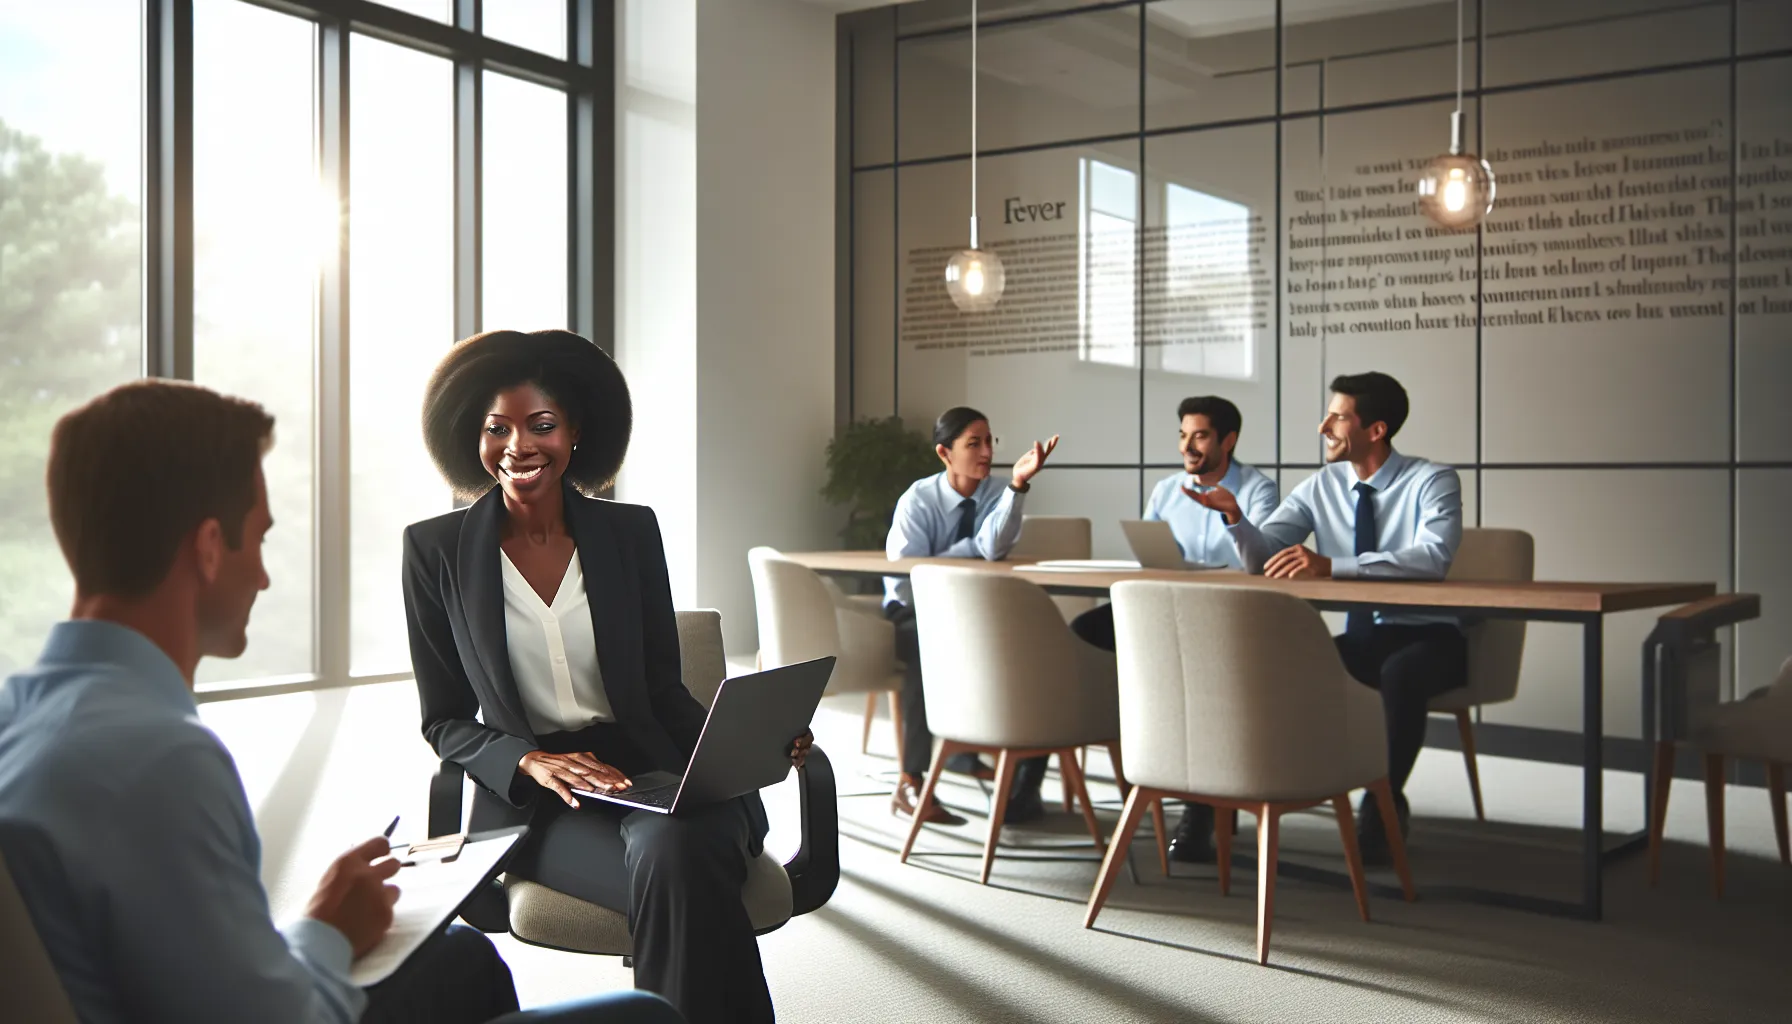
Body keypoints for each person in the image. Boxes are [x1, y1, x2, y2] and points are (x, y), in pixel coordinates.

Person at [0, 379, 681, 1024]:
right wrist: (325, 932)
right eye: (259, 538)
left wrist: (315, 926)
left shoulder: (19, 718)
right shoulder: (164, 761)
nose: (264, 577)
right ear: (209, 548)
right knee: (644, 1016)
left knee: (456, 960)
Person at [404, 330, 808, 1024]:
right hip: (544, 799)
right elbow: (444, 720)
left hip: (656, 773)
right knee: (684, 871)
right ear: (472, 435)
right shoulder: (434, 550)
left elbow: (663, 690)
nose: (518, 447)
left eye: (542, 425)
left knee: (675, 848)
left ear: (576, 432)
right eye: (497, 428)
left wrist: (747, 744)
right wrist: (526, 760)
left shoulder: (630, 534)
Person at [1188, 371, 1465, 864]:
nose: (1323, 427)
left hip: (1432, 636)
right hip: (1364, 639)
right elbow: (1264, 559)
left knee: (1400, 674)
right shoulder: (1321, 485)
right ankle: (1210, 804)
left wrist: (1333, 566)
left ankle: (1382, 805)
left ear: (1375, 430)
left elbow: (1433, 557)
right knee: (1266, 669)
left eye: (1337, 417)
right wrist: (1235, 518)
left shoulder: (1433, 480)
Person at [1068, 395, 1278, 864]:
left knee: (1197, 681)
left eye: (1200, 436)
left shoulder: (1259, 491)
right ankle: (1037, 774)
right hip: (1168, 612)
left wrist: (1232, 515)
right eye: (1183, 435)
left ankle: (1199, 814)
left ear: (1228, 440)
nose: (1187, 446)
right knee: (1083, 632)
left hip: (1227, 620)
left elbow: (1261, 564)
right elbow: (1152, 558)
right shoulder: (1167, 490)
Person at [883, 407, 1059, 825]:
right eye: (973, 443)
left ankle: (1019, 780)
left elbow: (993, 548)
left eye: (989, 441)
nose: (986, 452)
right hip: (916, 608)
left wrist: (1018, 484)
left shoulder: (1001, 491)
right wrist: (971, 551)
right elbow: (908, 574)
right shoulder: (918, 499)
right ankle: (911, 781)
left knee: (1037, 648)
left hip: (979, 611)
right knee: (926, 646)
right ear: (945, 453)